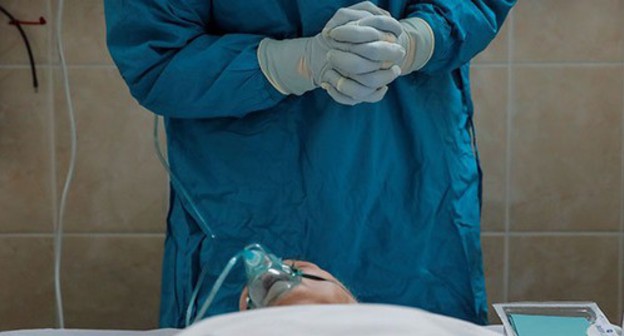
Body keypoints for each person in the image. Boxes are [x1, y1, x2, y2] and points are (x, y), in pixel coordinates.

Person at [104, 0, 515, 328]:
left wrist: (419, 38)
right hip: (252, 193)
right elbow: (156, 54)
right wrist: (292, 62)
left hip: (407, 179)